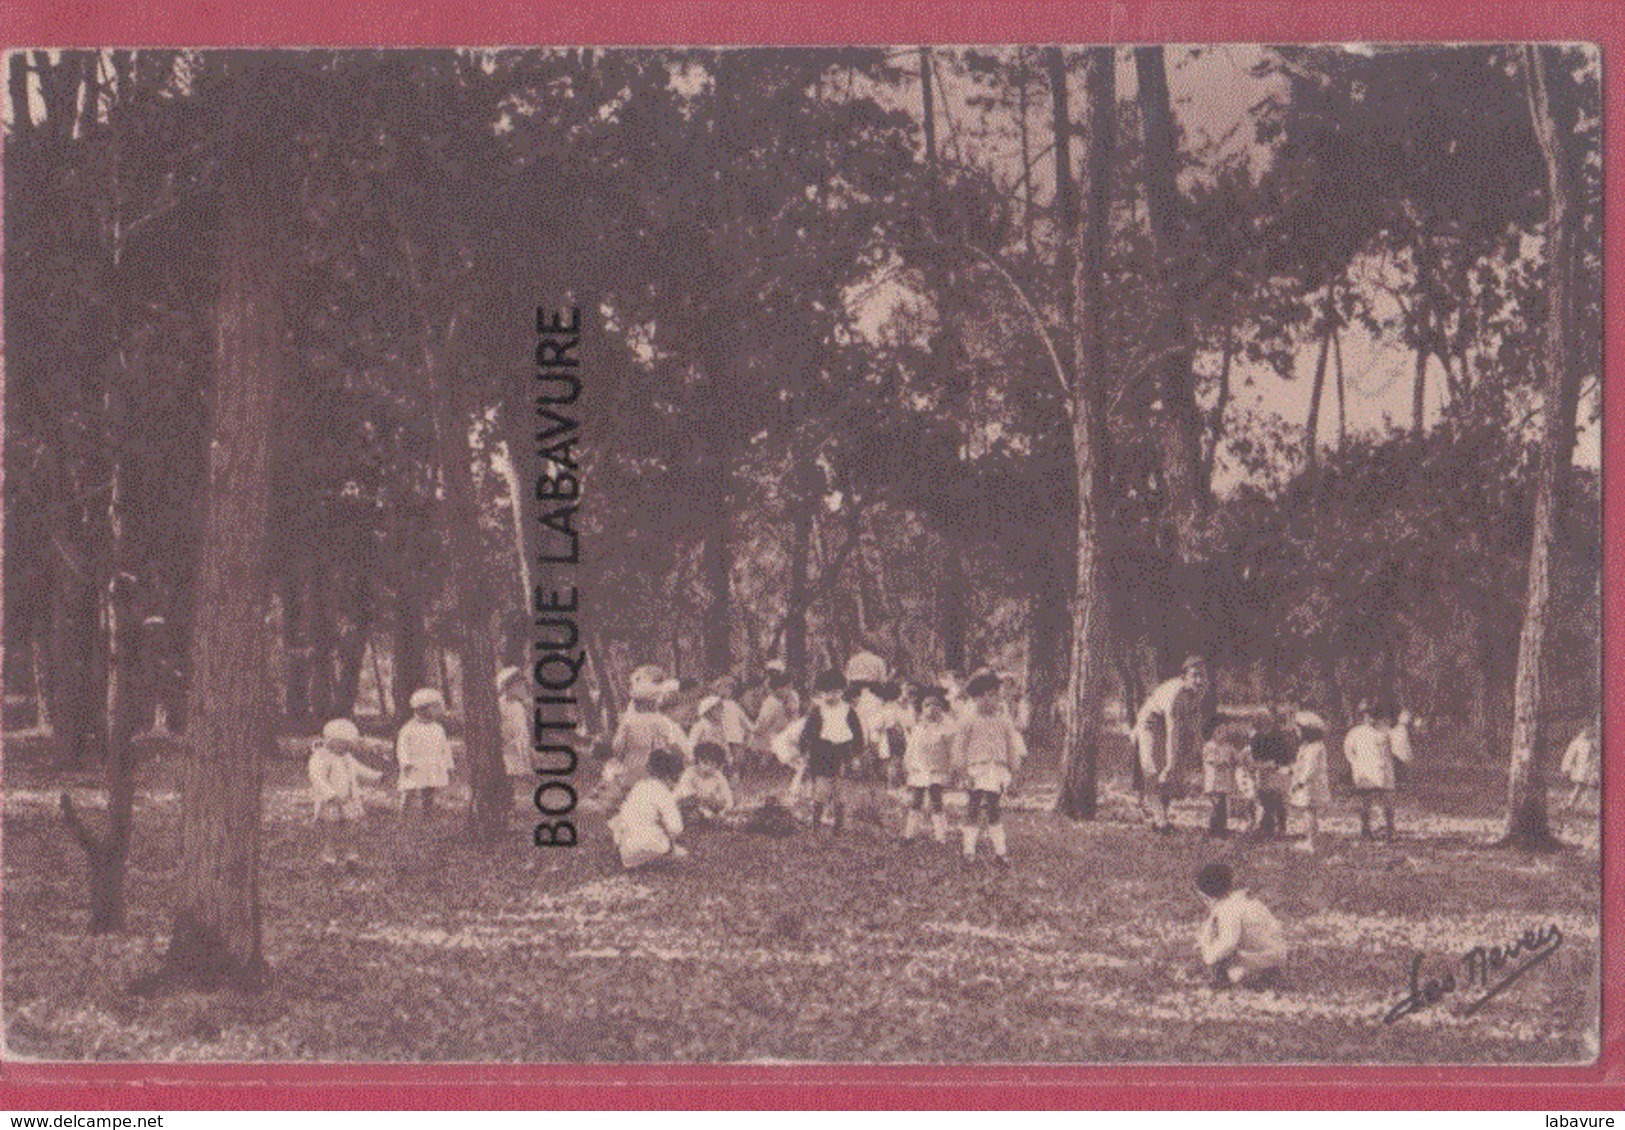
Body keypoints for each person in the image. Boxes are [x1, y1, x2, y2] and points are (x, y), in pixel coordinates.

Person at [952, 671, 1025, 865]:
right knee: (973, 807)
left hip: (996, 770)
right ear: (975, 698)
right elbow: (959, 748)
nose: (989, 700)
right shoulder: (968, 721)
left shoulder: (1003, 721)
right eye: (983, 695)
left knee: (994, 808)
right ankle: (969, 850)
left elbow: (1011, 748)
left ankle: (1000, 852)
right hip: (976, 769)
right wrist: (962, 771)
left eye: (993, 695)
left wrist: (1014, 772)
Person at [1133, 656, 1210, 833]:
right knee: (1154, 768)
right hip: (1151, 723)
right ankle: (1159, 819)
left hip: (1172, 724)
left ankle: (1161, 816)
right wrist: (1170, 762)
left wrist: (1197, 750)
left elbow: (1194, 720)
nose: (1199, 680)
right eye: (1195, 675)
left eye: (1202, 676)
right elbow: (1172, 729)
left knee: (1172, 774)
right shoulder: (1175, 693)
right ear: (1185, 677)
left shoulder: (1200, 690)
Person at [1194, 863, 1288, 989]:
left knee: (1221, 958)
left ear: (1206, 896)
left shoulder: (1228, 908)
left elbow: (1228, 943)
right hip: (1274, 957)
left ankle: (1244, 978)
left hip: (1262, 961)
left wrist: (1208, 957)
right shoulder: (1243, 900)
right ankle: (1259, 975)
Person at [308, 717, 383, 868]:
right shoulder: (321, 757)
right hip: (331, 801)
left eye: (348, 744)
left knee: (352, 826)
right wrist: (330, 795)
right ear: (330, 741)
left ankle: (351, 854)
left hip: (348, 799)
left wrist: (376, 776)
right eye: (342, 743)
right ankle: (329, 856)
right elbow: (317, 778)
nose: (346, 747)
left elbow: (359, 769)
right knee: (332, 828)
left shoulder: (347, 757)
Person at [608, 665, 688, 793]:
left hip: (632, 769)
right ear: (654, 703)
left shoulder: (627, 721)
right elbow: (674, 744)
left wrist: (623, 758)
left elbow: (617, 746)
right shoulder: (660, 721)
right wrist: (684, 759)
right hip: (654, 769)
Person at [801, 670, 863, 832]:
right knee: (821, 789)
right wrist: (804, 750)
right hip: (821, 751)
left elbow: (857, 733)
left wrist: (856, 754)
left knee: (840, 790)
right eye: (827, 692)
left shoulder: (848, 710)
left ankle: (838, 826)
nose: (831, 696)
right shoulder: (817, 710)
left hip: (843, 751)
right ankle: (815, 823)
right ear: (821, 693)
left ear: (842, 691)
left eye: (835, 692)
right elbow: (807, 732)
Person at [607, 748, 688, 869]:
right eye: (676, 780)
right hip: (650, 845)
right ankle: (654, 861)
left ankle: (625, 855)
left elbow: (623, 816)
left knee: (619, 820)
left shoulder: (639, 786)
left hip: (625, 847)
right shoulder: (664, 793)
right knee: (680, 854)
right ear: (671, 777)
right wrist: (670, 840)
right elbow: (676, 828)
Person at [902, 685, 955, 844]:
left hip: (936, 769)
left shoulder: (946, 729)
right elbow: (911, 748)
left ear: (941, 709)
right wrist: (908, 764)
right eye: (927, 705)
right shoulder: (918, 728)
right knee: (916, 801)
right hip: (919, 769)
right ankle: (909, 834)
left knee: (936, 800)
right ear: (922, 709)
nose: (932, 709)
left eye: (936, 705)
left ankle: (940, 835)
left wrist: (952, 768)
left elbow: (951, 751)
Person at [1343, 700, 1399, 839]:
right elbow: (1349, 751)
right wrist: (1356, 765)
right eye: (1367, 715)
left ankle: (1390, 829)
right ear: (1363, 716)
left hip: (1383, 769)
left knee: (1388, 801)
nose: (1371, 718)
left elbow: (1395, 749)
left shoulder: (1385, 731)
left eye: (1374, 715)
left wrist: (1389, 763)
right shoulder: (1355, 732)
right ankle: (1365, 829)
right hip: (1365, 771)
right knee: (1365, 802)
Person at [396, 688, 453, 816]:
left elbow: (445, 747)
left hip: (431, 763)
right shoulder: (408, 729)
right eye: (434, 707)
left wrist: (448, 764)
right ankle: (404, 813)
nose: (438, 711)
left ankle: (427, 812)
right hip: (414, 764)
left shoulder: (438, 728)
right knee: (409, 788)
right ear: (421, 709)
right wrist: (405, 762)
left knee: (429, 788)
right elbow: (402, 747)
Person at [1248, 706, 1296, 839]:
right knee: (1266, 800)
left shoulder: (1278, 734)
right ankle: (1268, 827)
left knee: (1279, 800)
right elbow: (1255, 757)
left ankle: (1281, 827)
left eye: (1265, 718)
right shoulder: (1256, 737)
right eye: (1260, 719)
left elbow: (1286, 754)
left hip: (1279, 770)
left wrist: (1281, 765)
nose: (1263, 721)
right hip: (1264, 770)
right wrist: (1263, 765)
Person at [1289, 710, 1330, 853]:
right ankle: (1313, 839)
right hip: (1308, 783)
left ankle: (1311, 841)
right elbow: (1301, 764)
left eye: (1299, 729)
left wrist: (1300, 782)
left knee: (1309, 811)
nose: (1297, 732)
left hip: (1311, 784)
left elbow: (1310, 768)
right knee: (1308, 811)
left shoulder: (1315, 747)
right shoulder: (1306, 746)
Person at [1202, 720, 1250, 839]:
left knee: (1223, 805)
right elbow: (1211, 760)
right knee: (1217, 805)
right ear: (1213, 733)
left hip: (1225, 782)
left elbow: (1237, 759)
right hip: (1214, 781)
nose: (1223, 734)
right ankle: (1214, 829)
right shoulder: (1210, 746)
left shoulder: (1228, 747)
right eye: (1220, 731)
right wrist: (1225, 762)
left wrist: (1242, 758)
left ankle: (1221, 828)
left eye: (1224, 732)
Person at [749, 663, 800, 772]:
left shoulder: (781, 699)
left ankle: (767, 765)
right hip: (777, 732)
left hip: (781, 733)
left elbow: (763, 724)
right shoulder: (771, 700)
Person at [497, 666, 533, 813]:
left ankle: (511, 803)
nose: (521, 689)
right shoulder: (501, 704)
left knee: (515, 774)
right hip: (507, 743)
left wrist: (525, 744)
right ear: (507, 688)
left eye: (522, 686)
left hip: (518, 742)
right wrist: (505, 739)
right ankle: (507, 804)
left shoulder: (519, 705)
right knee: (508, 774)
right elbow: (500, 724)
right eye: (517, 686)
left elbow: (522, 726)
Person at [677, 741, 736, 825]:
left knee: (720, 808)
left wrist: (722, 809)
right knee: (692, 812)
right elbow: (686, 793)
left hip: (710, 806)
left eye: (712, 765)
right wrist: (704, 803)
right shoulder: (690, 773)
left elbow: (728, 798)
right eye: (705, 763)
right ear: (698, 761)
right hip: (690, 805)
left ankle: (712, 819)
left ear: (718, 765)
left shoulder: (718, 776)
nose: (708, 768)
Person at [1560, 723, 1600, 815]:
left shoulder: (1591, 742)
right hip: (1579, 769)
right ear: (1582, 731)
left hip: (1589, 770)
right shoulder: (1577, 742)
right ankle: (1568, 805)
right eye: (1586, 730)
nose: (1588, 732)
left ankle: (1573, 806)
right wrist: (1566, 768)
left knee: (1584, 788)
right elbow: (1569, 756)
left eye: (1590, 730)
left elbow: (1594, 756)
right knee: (1578, 787)